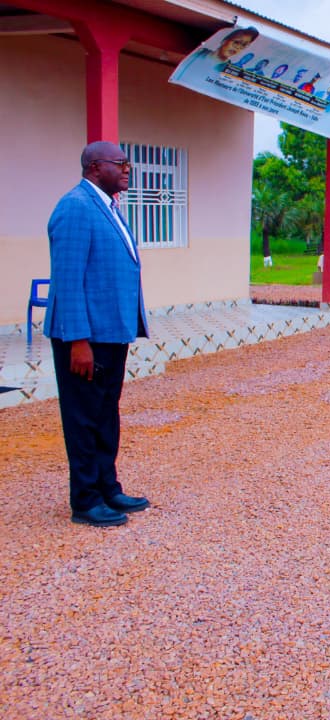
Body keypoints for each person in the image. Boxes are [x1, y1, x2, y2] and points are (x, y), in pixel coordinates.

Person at [45, 142, 150, 527]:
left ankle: (108, 486)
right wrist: (77, 341)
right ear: (94, 167)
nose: (127, 169)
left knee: (105, 414)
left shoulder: (107, 206)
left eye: (127, 163)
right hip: (85, 339)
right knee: (84, 417)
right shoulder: (75, 207)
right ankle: (85, 500)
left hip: (110, 335)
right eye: (119, 163)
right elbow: (68, 280)